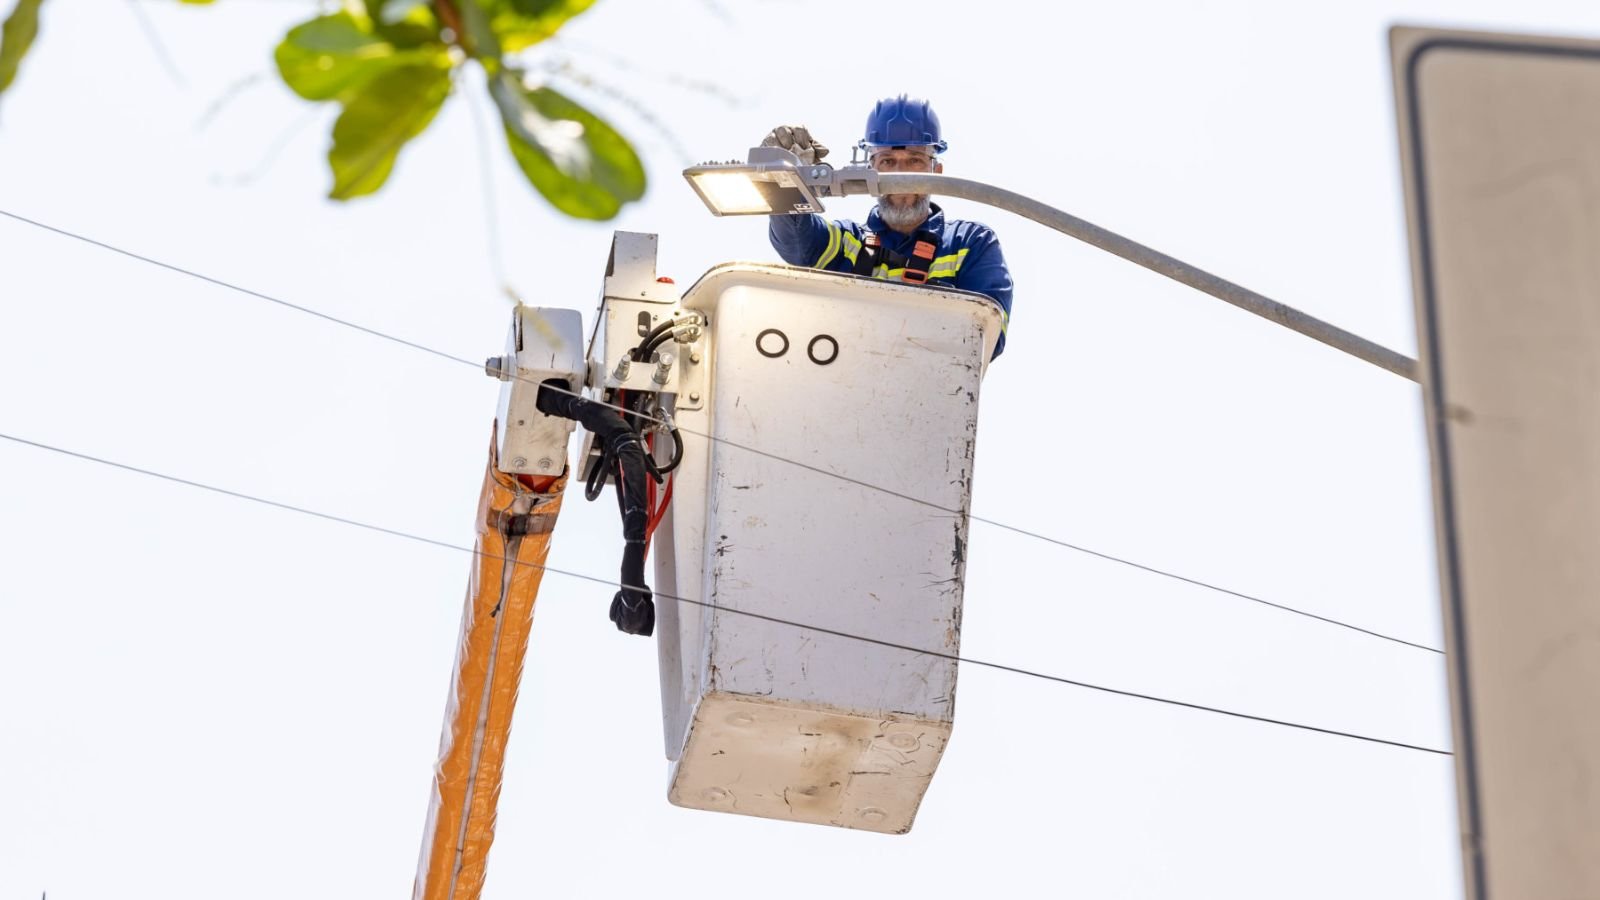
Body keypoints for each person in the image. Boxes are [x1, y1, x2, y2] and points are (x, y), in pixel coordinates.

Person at [762, 95, 1014, 357]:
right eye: (888, 161)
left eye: (914, 160)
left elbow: (986, 338)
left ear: (936, 171)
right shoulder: (849, 243)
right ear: (870, 168)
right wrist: (783, 180)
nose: (900, 175)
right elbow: (796, 245)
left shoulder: (971, 244)